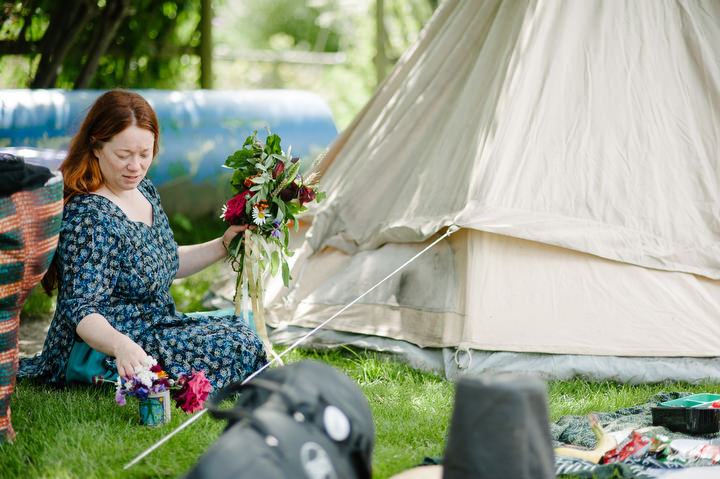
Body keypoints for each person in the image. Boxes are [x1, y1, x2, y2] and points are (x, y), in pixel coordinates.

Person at [18, 90, 267, 391]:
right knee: (240, 344)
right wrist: (122, 347)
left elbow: (164, 262)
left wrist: (223, 244)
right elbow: (81, 309)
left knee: (242, 326)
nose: (135, 166)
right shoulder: (88, 216)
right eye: (123, 155)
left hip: (156, 327)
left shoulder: (144, 190)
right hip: (104, 345)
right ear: (96, 147)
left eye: (144, 154)